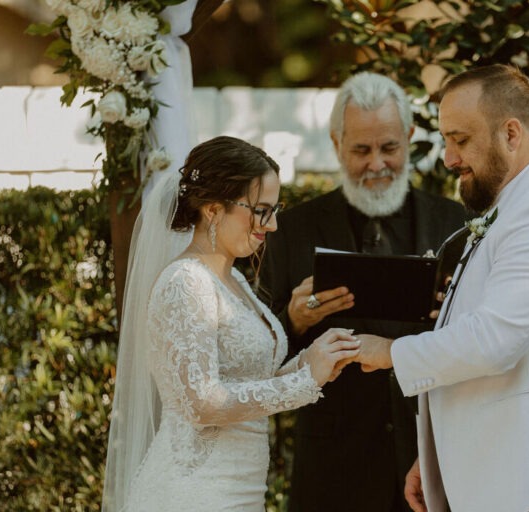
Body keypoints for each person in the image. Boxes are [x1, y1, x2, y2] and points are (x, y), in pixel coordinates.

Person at [354, 64, 529, 512]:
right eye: (446, 140)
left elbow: (495, 340)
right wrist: (438, 454)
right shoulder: (518, 205)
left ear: (511, 134)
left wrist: (388, 352)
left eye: (460, 140)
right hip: (510, 480)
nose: (448, 158)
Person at [101, 136, 361, 512]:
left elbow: (249, 383)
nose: (271, 225)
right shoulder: (186, 284)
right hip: (194, 494)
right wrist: (305, 382)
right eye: (260, 210)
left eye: (274, 210)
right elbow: (203, 404)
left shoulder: (235, 281)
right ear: (212, 209)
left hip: (241, 491)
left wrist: (313, 360)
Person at [259, 72, 468, 512]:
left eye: (389, 147)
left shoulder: (456, 223)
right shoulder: (291, 230)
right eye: (361, 150)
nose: (377, 164)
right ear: (336, 144)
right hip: (334, 469)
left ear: (409, 137)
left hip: (434, 463)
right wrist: (294, 320)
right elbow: (259, 358)